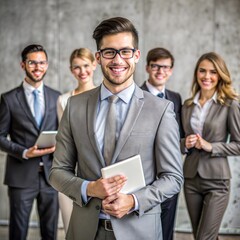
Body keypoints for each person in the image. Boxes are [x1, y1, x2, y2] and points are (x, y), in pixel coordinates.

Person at [49, 17, 183, 240]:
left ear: (137, 56)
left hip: (139, 231)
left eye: (125, 52)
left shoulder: (160, 109)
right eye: (110, 52)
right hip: (84, 232)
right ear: (98, 57)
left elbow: (173, 177)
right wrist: (90, 189)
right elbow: (57, 172)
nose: (118, 59)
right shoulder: (75, 106)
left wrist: (133, 201)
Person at [0, 44, 60, 240]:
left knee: (50, 232)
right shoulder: (8, 99)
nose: (37, 67)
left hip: (51, 177)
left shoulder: (56, 97)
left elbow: (64, 134)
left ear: (47, 65)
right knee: (18, 231)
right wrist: (24, 152)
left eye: (42, 62)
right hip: (20, 176)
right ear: (23, 65)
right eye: (32, 62)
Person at [180, 52, 240, 240]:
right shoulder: (187, 105)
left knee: (204, 238)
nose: (207, 76)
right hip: (191, 179)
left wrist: (211, 146)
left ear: (220, 74)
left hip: (217, 182)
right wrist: (185, 143)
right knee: (201, 236)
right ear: (196, 73)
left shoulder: (230, 105)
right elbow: (178, 143)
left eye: (213, 72)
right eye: (202, 71)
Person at [141, 47, 183, 240]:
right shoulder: (135, 95)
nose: (160, 71)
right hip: (144, 174)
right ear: (147, 68)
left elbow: (178, 135)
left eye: (165, 67)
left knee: (167, 228)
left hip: (169, 172)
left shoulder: (175, 98)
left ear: (171, 70)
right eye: (155, 66)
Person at [57, 48, 96, 232]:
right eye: (77, 67)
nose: (82, 72)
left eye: (86, 66)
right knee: (71, 230)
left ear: (94, 65)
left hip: (97, 173)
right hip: (71, 173)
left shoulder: (105, 95)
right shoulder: (64, 100)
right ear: (71, 70)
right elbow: (63, 141)